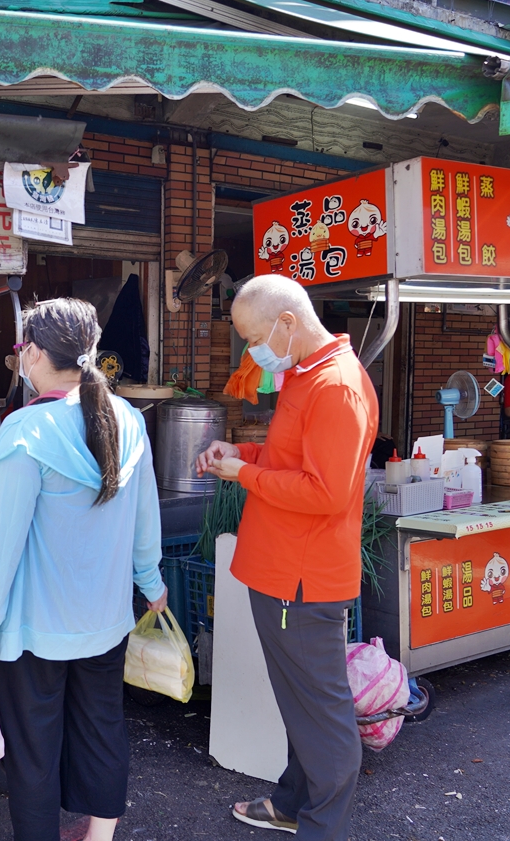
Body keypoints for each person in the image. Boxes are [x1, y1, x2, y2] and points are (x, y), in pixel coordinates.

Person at [0, 298, 167, 841]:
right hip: (105, 618)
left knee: (34, 748)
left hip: (34, 629)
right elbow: (146, 517)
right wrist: (152, 583)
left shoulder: (24, 433)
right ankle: (100, 835)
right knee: (102, 727)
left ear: (32, 353)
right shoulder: (127, 420)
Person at [195, 275, 377, 840]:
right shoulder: (305, 374)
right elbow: (290, 458)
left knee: (321, 713)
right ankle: (293, 803)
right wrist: (243, 452)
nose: (253, 350)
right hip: (281, 572)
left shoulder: (336, 385)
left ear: (287, 323)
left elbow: (327, 493)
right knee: (300, 702)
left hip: (302, 579)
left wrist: (245, 473)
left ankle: (322, 824)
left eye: (254, 337)